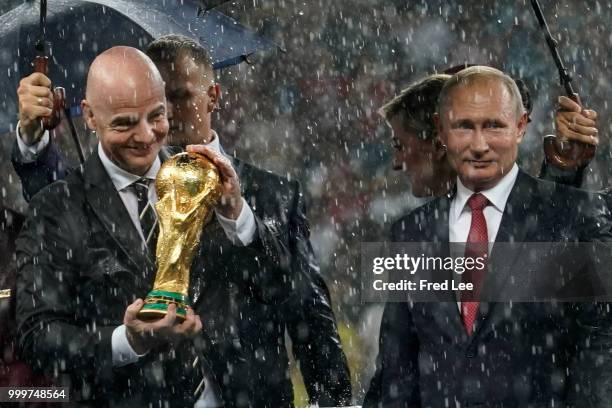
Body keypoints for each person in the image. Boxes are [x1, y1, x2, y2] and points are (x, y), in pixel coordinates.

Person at [13, 35, 351, 406]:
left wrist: (238, 218)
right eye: (126, 123)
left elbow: (294, 298)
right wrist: (128, 341)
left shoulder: (213, 181)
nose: (146, 134)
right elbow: (37, 335)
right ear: (90, 116)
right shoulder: (61, 206)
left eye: (158, 114)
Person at [363, 66, 612, 407]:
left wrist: (563, 172)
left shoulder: (574, 215)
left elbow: (596, 345)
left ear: (521, 127)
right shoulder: (410, 232)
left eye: (492, 125)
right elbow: (397, 367)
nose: (479, 144)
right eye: (464, 126)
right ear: (442, 132)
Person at [378, 73, 601, 198]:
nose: (397, 163)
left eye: (399, 145)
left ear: (439, 143)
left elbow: (545, 233)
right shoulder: (420, 232)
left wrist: (563, 164)